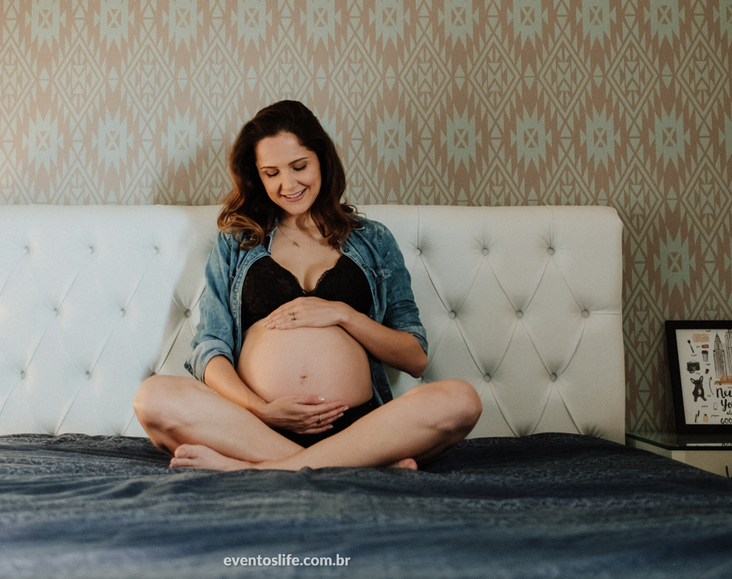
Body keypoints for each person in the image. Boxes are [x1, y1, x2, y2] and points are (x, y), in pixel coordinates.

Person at [133, 100, 481, 471]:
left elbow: (414, 356)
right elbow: (210, 348)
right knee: (152, 397)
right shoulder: (237, 240)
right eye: (271, 173)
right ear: (257, 176)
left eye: (299, 167)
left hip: (359, 427)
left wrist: (344, 315)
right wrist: (261, 409)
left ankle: (256, 469)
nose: (288, 184)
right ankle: (351, 465)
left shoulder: (374, 240)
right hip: (253, 427)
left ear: (322, 160)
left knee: (461, 400)